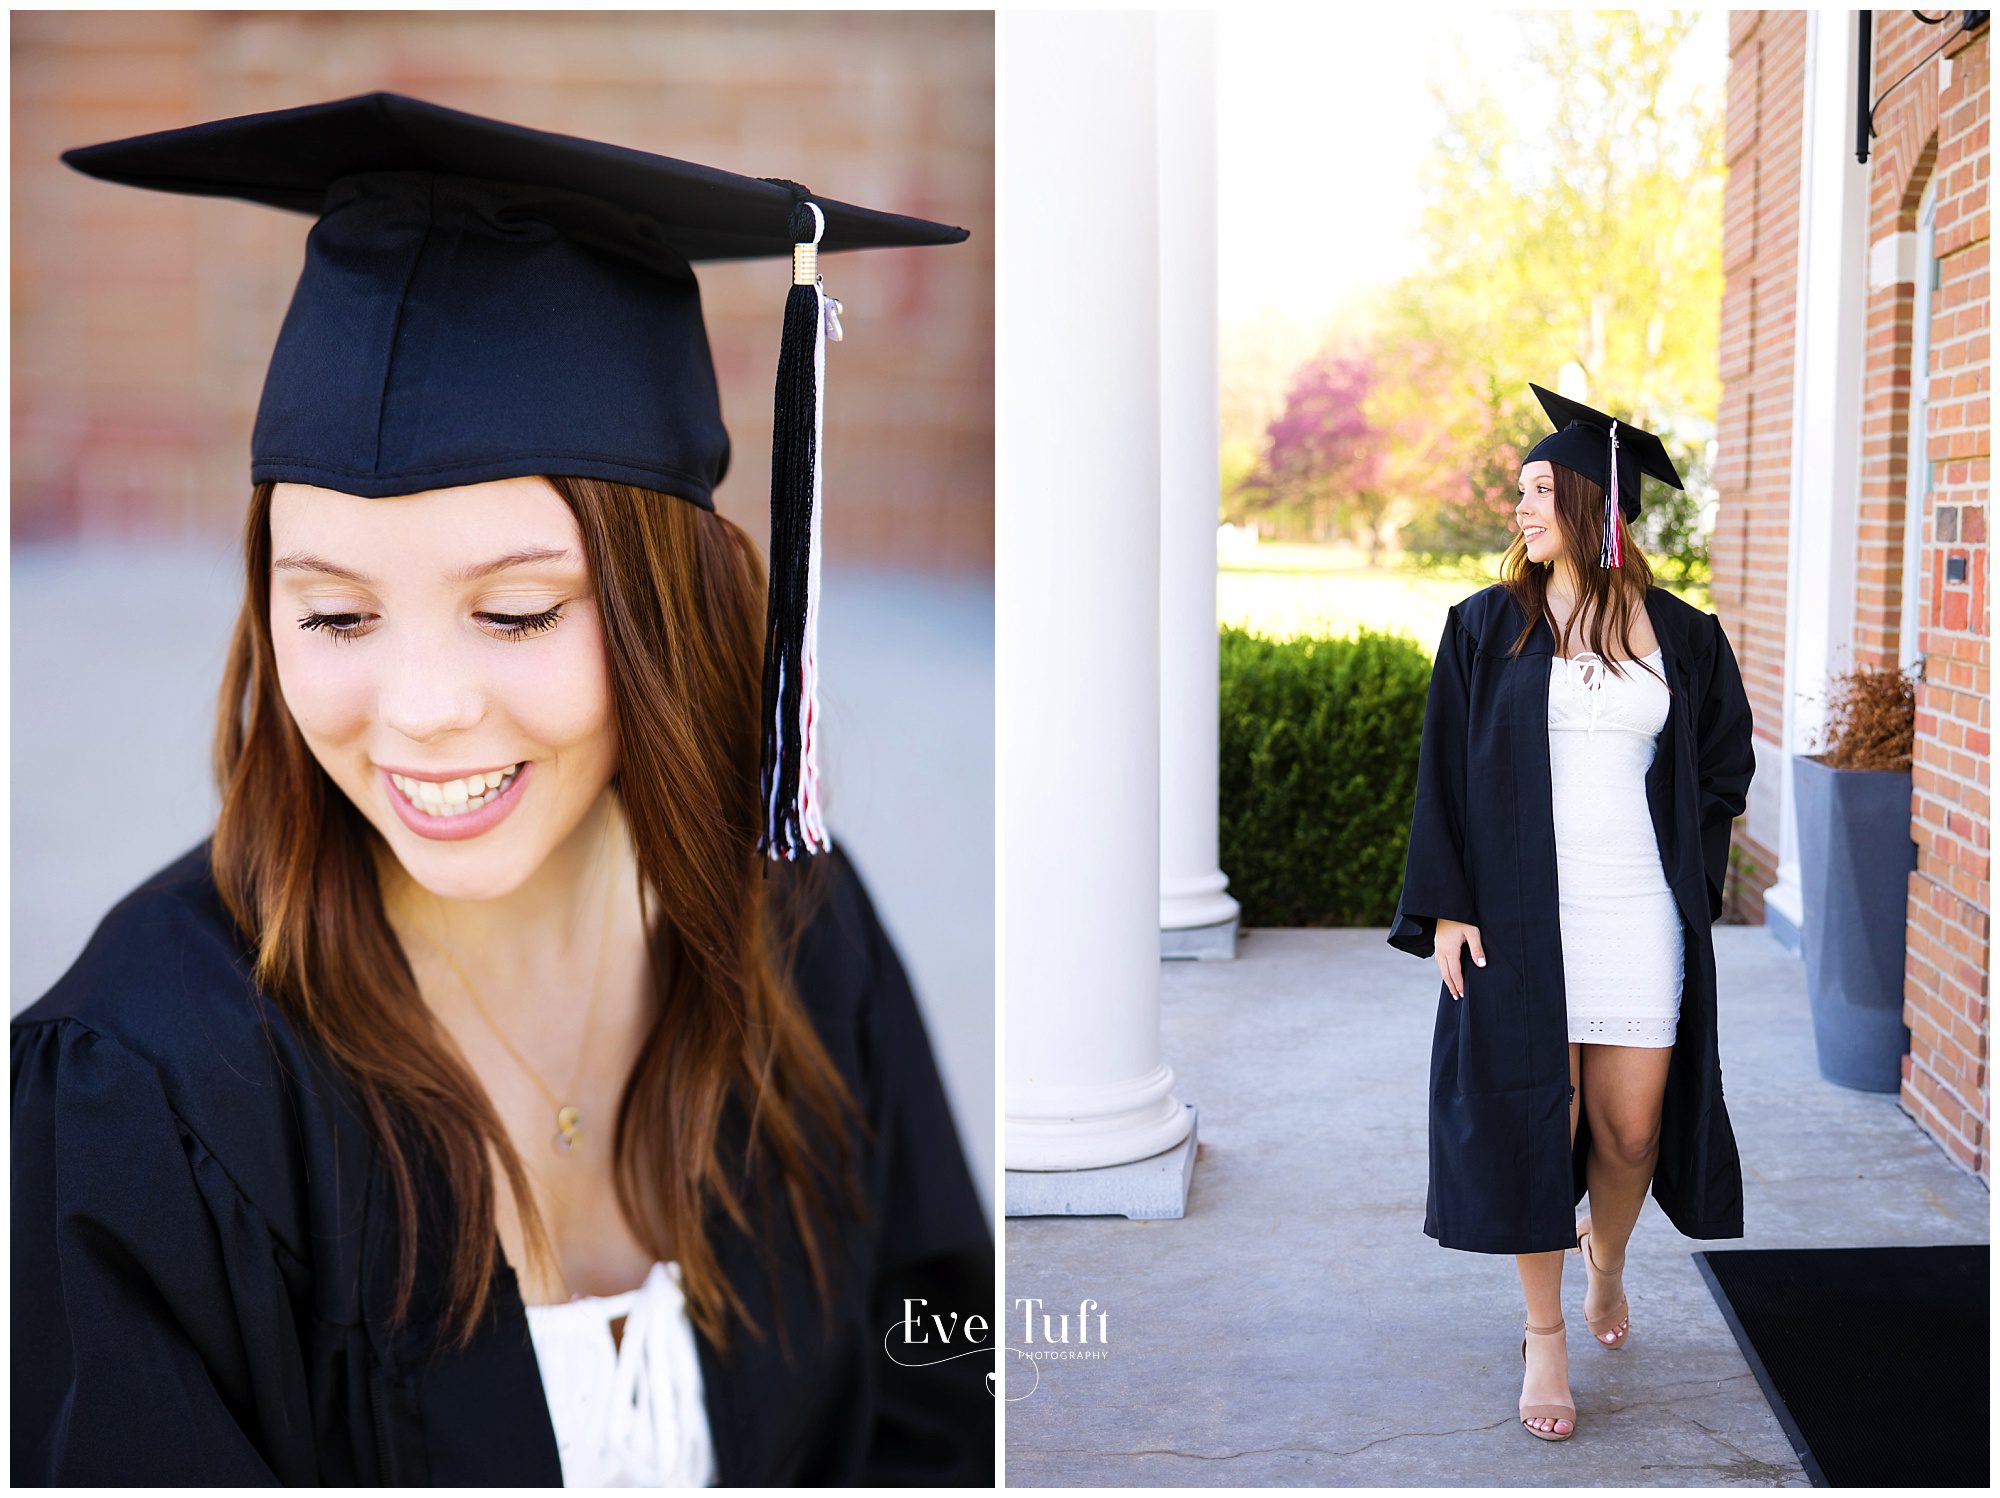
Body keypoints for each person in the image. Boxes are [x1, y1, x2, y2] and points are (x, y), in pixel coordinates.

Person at [12, 93, 994, 1485]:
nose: (420, 708)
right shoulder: (150, 1086)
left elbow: (943, 1372)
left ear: (670, 608)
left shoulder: (796, 926)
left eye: (517, 612)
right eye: (335, 615)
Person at [1387, 384, 1757, 1442]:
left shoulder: (1682, 636)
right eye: (1519, 490)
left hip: (1636, 911)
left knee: (1630, 1131)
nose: (1520, 507)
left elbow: (1722, 767)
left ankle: (1608, 1256)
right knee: (1532, 1124)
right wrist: (1446, 909)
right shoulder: (1484, 627)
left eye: (1540, 489)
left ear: (1598, 504)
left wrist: (1686, 872)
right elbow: (1441, 776)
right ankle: (1542, 1334)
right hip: (1515, 916)